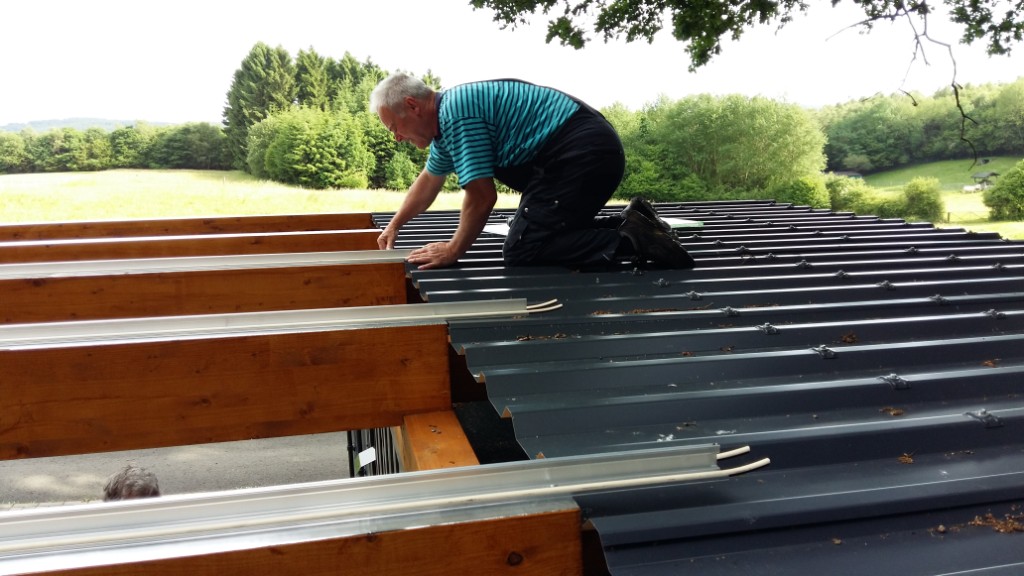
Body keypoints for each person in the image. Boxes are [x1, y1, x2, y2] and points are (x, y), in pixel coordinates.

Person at [370, 73, 695, 270]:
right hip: (585, 153)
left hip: (580, 155)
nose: (396, 138)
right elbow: (429, 181)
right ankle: (634, 221)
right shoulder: (447, 122)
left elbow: (482, 197)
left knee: (523, 248)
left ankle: (634, 239)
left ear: (412, 106)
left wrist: (454, 250)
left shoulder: (456, 116)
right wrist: (394, 225)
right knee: (536, 231)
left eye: (394, 128)